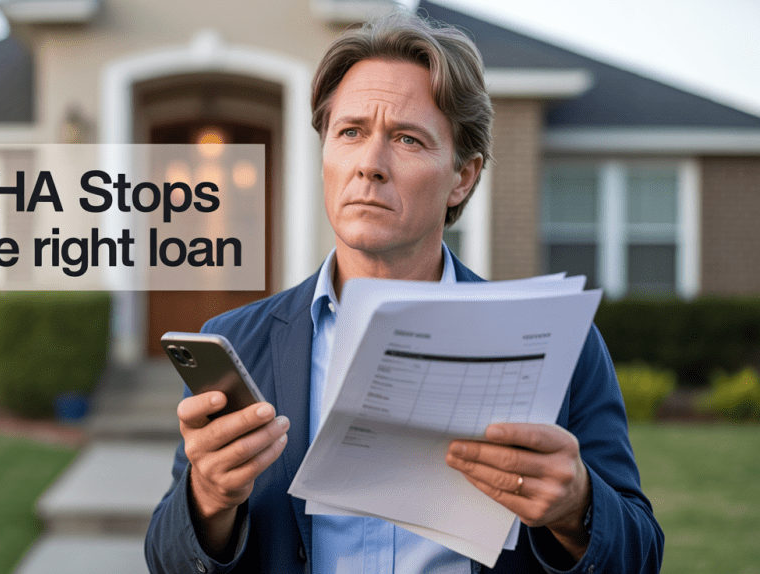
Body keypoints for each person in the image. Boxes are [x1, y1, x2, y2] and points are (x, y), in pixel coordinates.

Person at [146, 10, 663, 574]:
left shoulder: (561, 345)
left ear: (463, 176)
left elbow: (640, 554)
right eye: (350, 132)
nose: (370, 164)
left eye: (407, 139)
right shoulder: (238, 343)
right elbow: (167, 559)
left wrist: (577, 507)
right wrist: (208, 498)